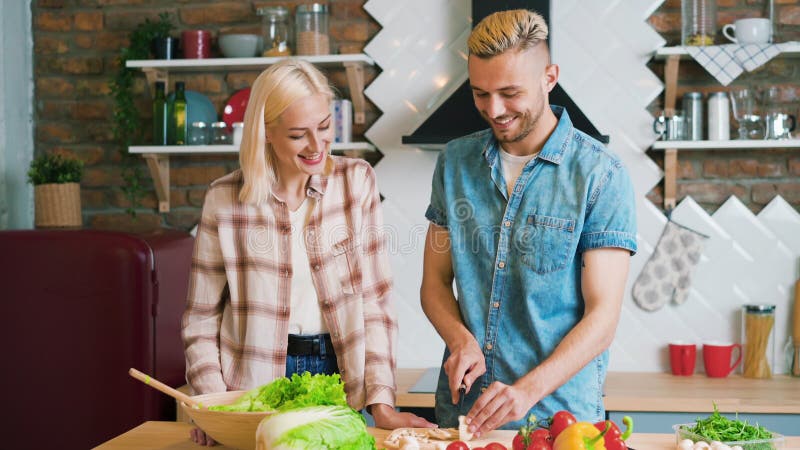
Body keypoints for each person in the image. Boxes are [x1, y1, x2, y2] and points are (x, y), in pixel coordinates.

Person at [182, 59, 433, 446]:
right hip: (251, 386)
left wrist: (382, 401)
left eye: (324, 126)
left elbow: (375, 302)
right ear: (266, 133)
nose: (317, 146)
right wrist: (213, 403)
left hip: (338, 374)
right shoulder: (224, 199)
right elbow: (200, 320)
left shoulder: (356, 182)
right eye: (299, 135)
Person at [420, 9, 638, 438]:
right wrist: (460, 339)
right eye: (480, 93)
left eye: (509, 92)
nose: (494, 109)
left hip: (561, 423)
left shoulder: (600, 175)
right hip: (466, 416)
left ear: (549, 77)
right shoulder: (454, 165)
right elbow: (434, 284)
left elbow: (602, 318)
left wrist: (526, 392)